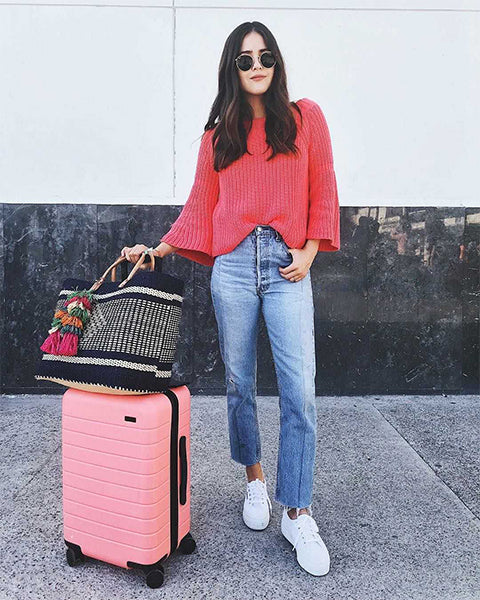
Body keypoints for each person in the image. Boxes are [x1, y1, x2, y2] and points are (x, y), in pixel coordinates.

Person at [122, 21, 340, 577]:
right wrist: (158, 249)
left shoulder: (306, 118)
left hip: (289, 265)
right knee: (240, 383)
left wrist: (310, 252)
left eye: (265, 56)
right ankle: (255, 480)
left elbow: (323, 188)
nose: (257, 66)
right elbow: (200, 206)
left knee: (301, 391)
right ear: (232, 69)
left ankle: (298, 511)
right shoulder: (218, 136)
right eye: (245, 60)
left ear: (277, 62)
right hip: (235, 267)